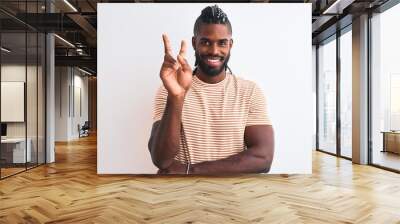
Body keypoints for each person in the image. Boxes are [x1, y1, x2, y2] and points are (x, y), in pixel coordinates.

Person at [148, 5, 274, 174]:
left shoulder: (249, 91)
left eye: (222, 43)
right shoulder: (170, 90)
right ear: (194, 43)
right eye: (206, 42)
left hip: (233, 195)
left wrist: (191, 170)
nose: (214, 51)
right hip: (181, 195)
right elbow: (161, 160)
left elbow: (263, 158)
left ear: (230, 45)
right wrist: (176, 97)